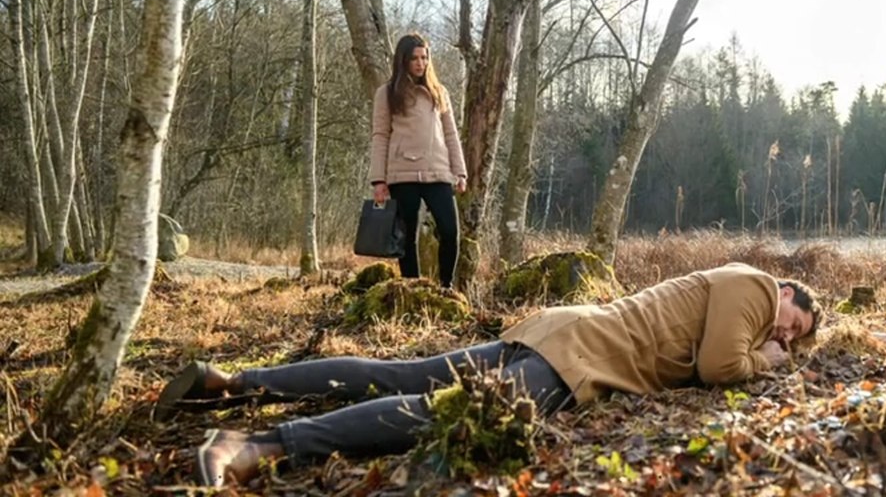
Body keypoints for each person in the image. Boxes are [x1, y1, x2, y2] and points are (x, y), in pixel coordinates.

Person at [157, 263, 828, 487]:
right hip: (578, 358)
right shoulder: (756, 287)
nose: (783, 335)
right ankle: (257, 447)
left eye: (792, 340)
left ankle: (235, 382)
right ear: (790, 294)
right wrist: (765, 364)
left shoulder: (749, 295)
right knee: (431, 409)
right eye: (792, 324)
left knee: (398, 375)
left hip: (565, 332)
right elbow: (719, 367)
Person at [369, 33, 467, 284]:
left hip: (439, 171)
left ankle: (446, 288)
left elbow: (451, 133)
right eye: (414, 58)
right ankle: (412, 286)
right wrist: (378, 180)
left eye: (424, 57)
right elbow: (380, 136)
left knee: (449, 231)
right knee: (407, 236)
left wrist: (460, 171)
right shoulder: (387, 93)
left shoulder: (440, 92)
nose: (420, 63)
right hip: (403, 172)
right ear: (403, 60)